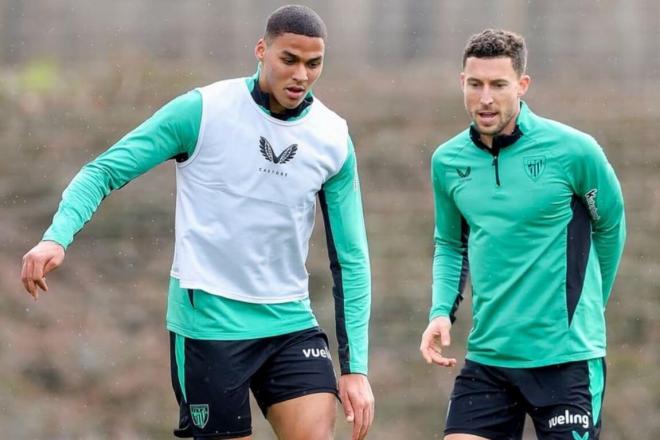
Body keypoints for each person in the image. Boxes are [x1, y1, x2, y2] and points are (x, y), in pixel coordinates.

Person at [21, 5, 374, 440]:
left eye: (313, 63)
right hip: (209, 324)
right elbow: (103, 171)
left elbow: (352, 258)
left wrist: (355, 368)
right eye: (289, 60)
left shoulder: (333, 137)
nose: (301, 75)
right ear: (261, 51)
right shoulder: (203, 110)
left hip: (289, 323)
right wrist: (57, 237)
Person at [419, 29, 626, 440]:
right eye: (475, 84)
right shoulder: (447, 161)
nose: (486, 98)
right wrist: (440, 311)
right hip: (489, 358)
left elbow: (610, 225)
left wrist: (588, 307)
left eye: (498, 85)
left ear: (522, 85)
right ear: (462, 82)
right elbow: (449, 243)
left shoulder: (574, 151)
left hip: (566, 360)